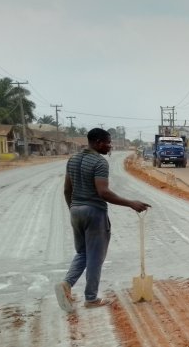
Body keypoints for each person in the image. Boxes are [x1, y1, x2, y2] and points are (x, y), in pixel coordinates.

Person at [56, 128, 150, 312]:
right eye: (107, 142)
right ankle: (91, 298)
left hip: (76, 210)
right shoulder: (99, 162)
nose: (110, 146)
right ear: (98, 142)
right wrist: (131, 203)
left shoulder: (73, 160)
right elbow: (103, 192)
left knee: (83, 252)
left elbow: (67, 190)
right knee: (95, 257)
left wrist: (74, 209)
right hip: (94, 212)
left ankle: (66, 284)